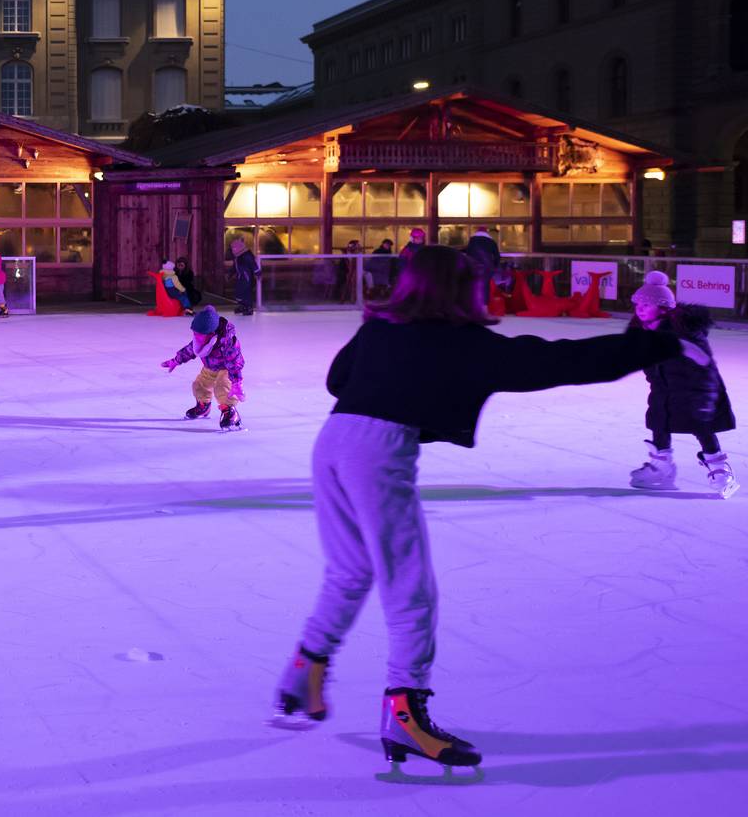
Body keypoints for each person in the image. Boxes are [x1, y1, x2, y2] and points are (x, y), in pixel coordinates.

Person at [271, 246, 696, 774]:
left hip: (332, 442)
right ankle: (406, 714)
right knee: (411, 590)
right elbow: (561, 361)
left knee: (351, 569)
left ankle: (303, 672)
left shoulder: (381, 327)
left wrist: (402, 388)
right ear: (460, 288)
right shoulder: (465, 344)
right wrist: (653, 345)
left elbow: (338, 381)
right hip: (377, 452)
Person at [626, 271, 737, 497]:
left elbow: (706, 369)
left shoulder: (684, 333)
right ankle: (661, 468)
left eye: (648, 304)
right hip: (663, 388)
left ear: (664, 308)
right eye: (639, 303)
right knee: (659, 422)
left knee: (701, 426)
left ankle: (720, 470)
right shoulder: (641, 330)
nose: (641, 308)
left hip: (696, 389)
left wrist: (705, 400)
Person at [161, 305, 244, 429]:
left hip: (227, 369)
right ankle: (203, 406)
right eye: (195, 333)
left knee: (222, 388)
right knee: (199, 385)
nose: (197, 336)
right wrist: (175, 361)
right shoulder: (200, 337)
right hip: (210, 367)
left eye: (200, 334)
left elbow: (235, 362)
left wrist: (237, 382)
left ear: (211, 333)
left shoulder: (227, 342)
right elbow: (190, 350)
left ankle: (230, 412)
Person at [463, 227, 500, 298]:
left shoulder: (472, 240)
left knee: (473, 286)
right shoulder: (491, 241)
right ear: (486, 232)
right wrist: (495, 267)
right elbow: (497, 256)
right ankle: (484, 305)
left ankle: (474, 303)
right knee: (485, 286)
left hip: (473, 266)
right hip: (487, 267)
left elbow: (467, 253)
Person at [229, 237, 259, 315]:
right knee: (239, 292)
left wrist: (257, 271)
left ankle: (248, 307)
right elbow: (234, 267)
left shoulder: (246, 256)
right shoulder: (237, 258)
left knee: (245, 292)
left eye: (233, 248)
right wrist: (230, 274)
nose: (232, 250)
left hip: (247, 277)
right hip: (240, 277)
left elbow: (253, 264)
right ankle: (243, 305)